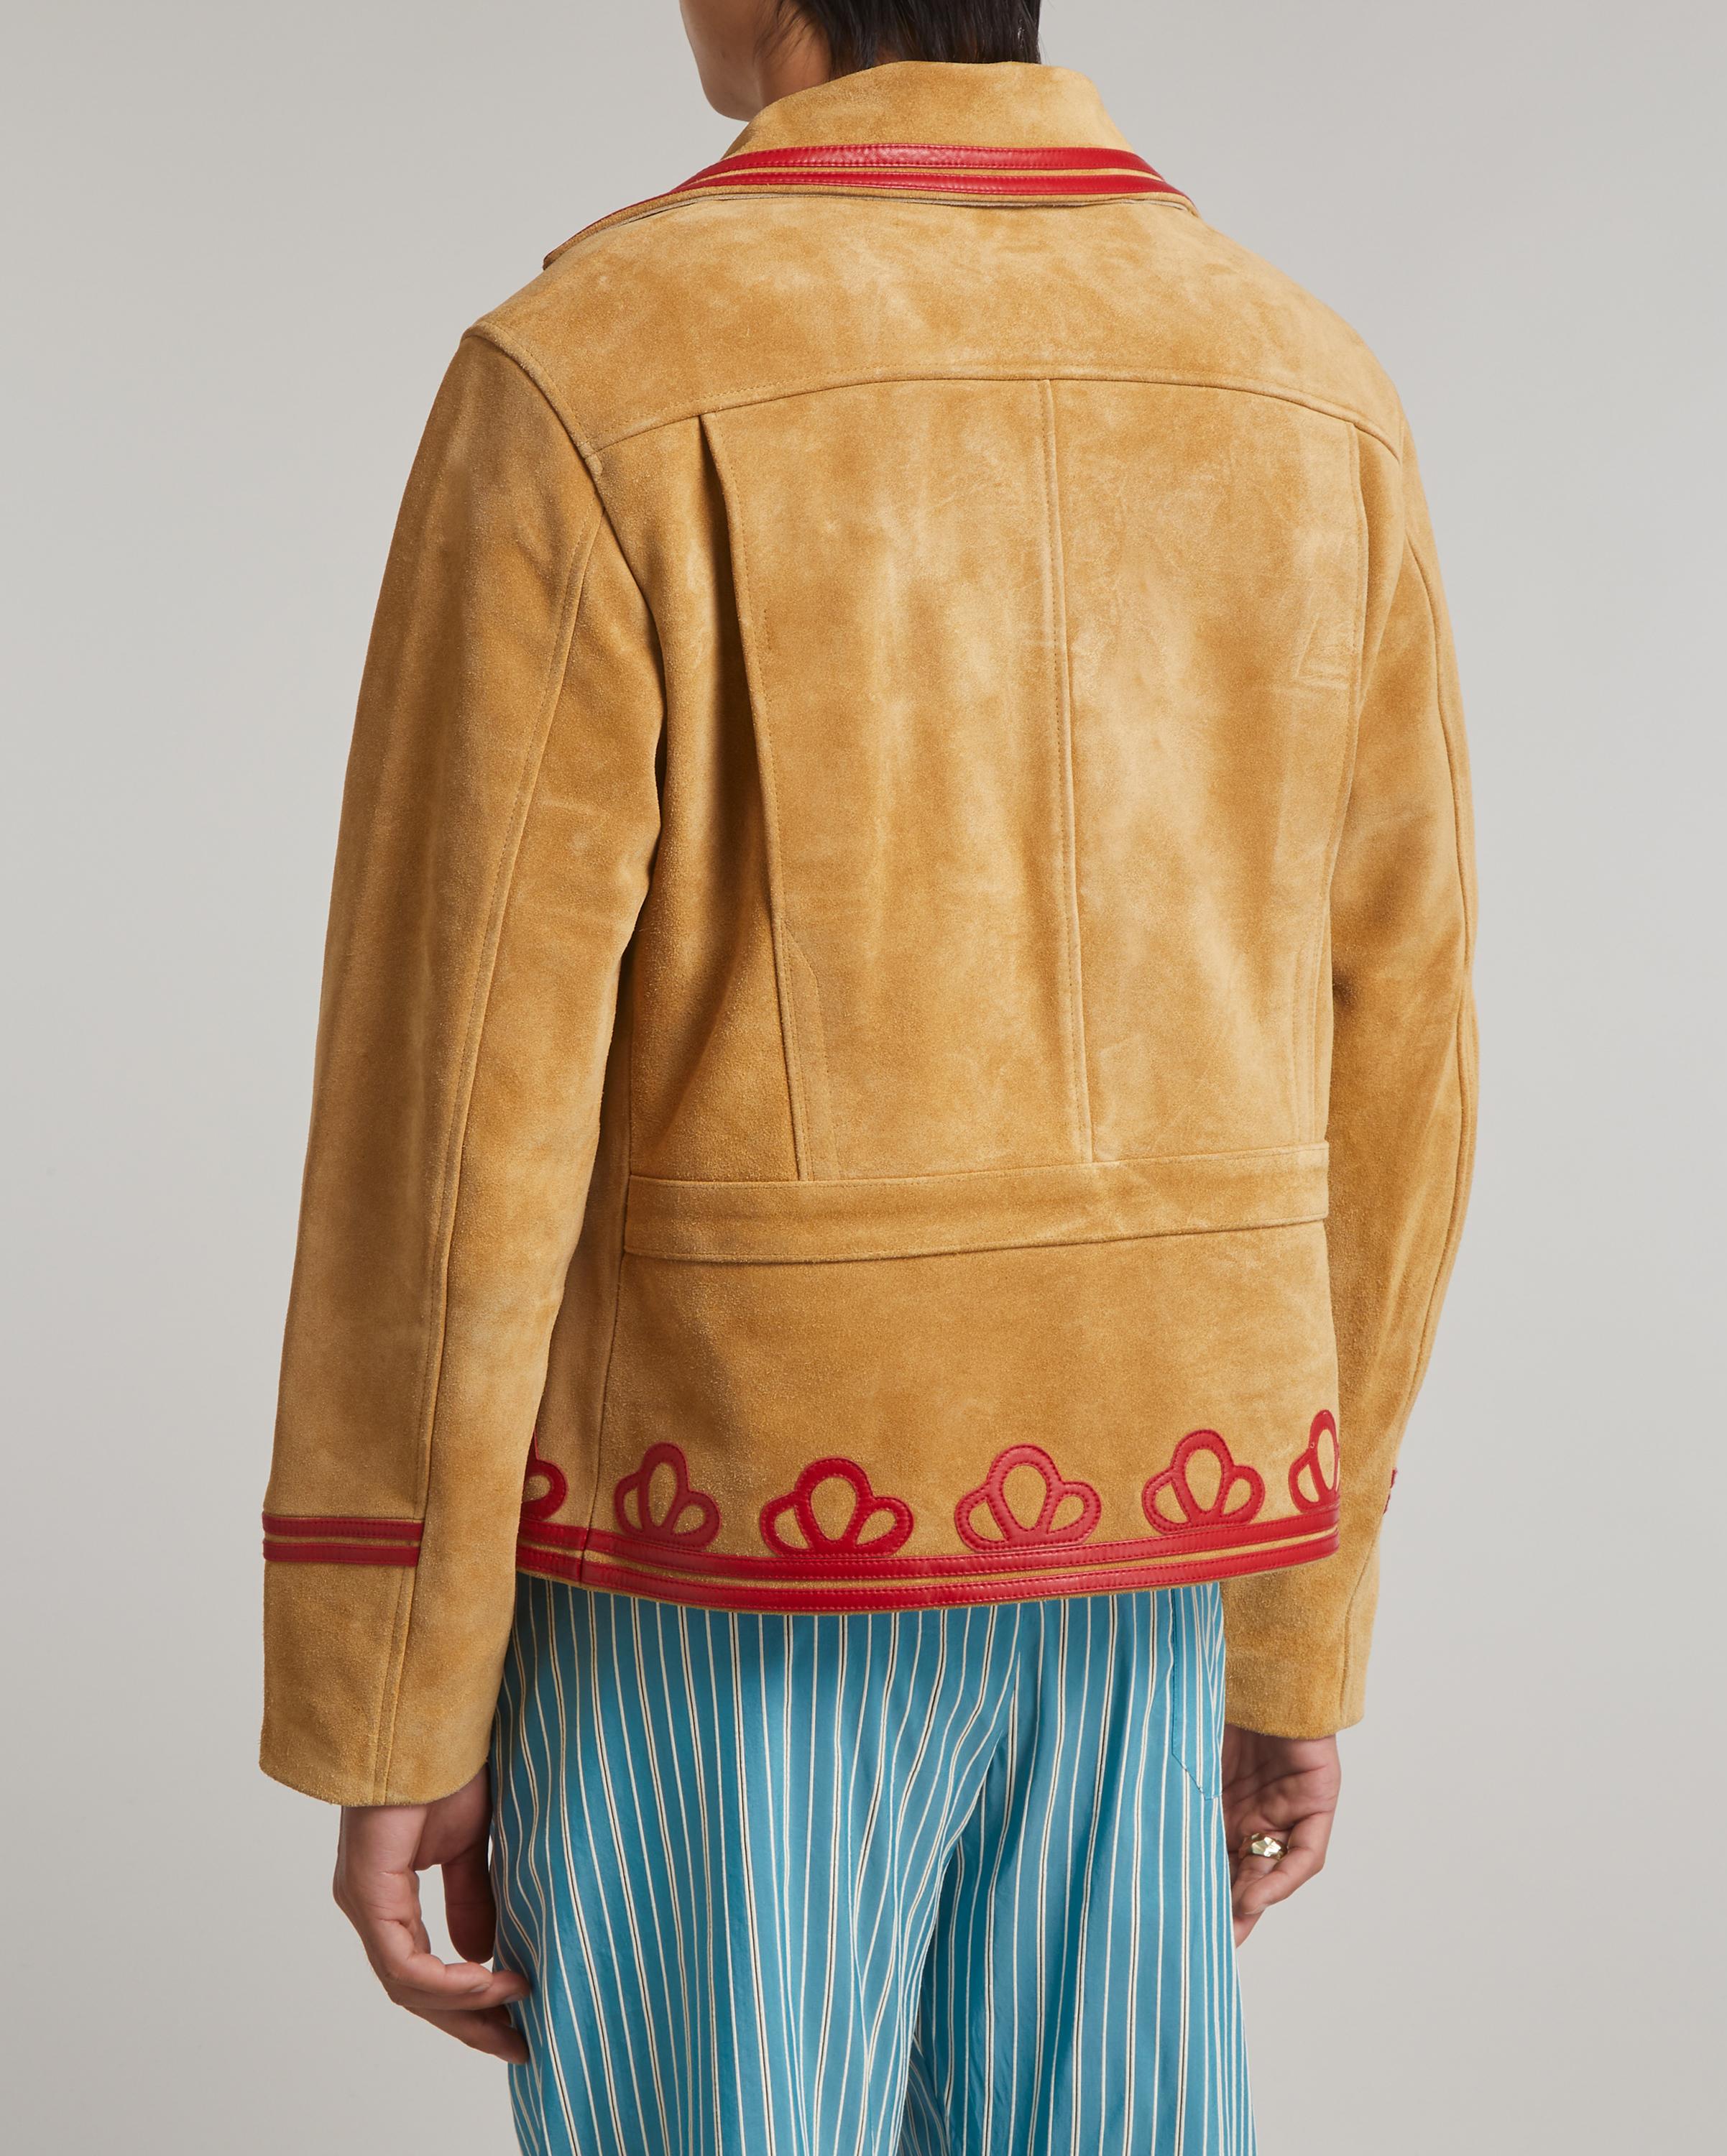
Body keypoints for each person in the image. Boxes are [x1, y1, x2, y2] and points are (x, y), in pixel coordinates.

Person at [262, 3, 1476, 2149]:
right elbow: (1401, 1046)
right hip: (1151, 1546)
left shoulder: (597, 364)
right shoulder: (1302, 378)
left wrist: (400, 1689)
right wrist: (1295, 1625)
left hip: (719, 1554)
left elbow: (453, 1102)